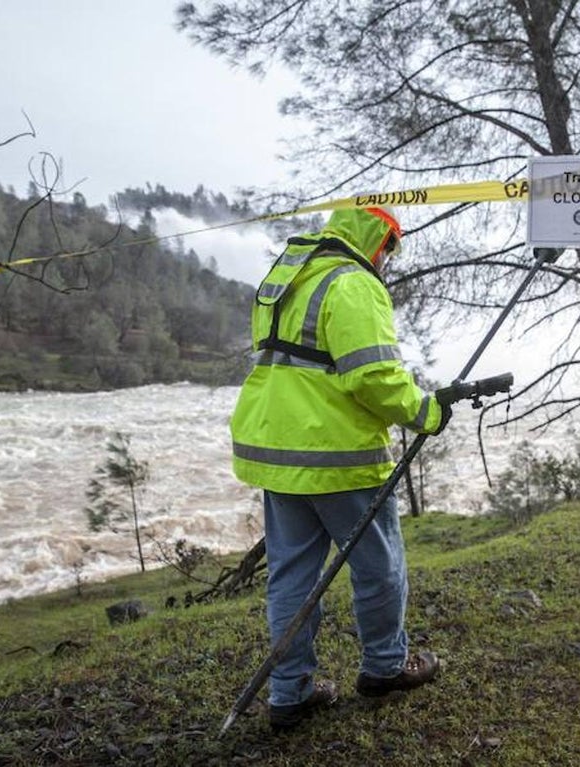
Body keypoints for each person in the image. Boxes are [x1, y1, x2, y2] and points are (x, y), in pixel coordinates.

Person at [229, 206, 448, 730]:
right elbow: (372, 377)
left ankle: (290, 692)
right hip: (338, 453)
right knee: (379, 565)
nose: (387, 259)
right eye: (388, 247)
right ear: (377, 238)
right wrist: (427, 413)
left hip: (276, 448)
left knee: (291, 576)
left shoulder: (291, 276)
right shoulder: (353, 283)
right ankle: (385, 668)